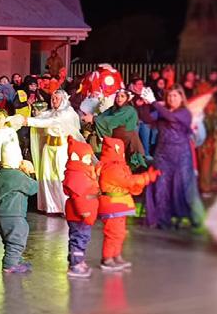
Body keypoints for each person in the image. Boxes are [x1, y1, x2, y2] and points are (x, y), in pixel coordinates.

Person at [138, 86, 201, 229]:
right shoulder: (163, 111)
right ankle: (162, 219)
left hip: (181, 156)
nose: (172, 99)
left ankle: (184, 217)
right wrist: (144, 105)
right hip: (163, 155)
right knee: (161, 186)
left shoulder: (185, 113)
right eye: (169, 96)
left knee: (182, 187)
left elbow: (172, 118)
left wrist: (154, 103)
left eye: (175, 96)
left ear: (181, 97)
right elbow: (147, 119)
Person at [16, 89, 84, 214]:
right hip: (48, 148)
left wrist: (28, 121)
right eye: (53, 98)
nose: (54, 100)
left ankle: (64, 207)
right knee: (46, 175)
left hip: (61, 148)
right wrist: (27, 118)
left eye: (57, 98)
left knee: (60, 176)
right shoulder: (52, 112)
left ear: (63, 99)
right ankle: (51, 207)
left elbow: (50, 122)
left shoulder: (68, 113)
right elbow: (44, 117)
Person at [96, 137, 159, 271]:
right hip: (112, 206)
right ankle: (107, 259)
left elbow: (129, 183)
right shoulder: (111, 169)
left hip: (119, 205)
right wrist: (146, 177)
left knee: (119, 233)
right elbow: (128, 181)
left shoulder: (118, 167)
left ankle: (116, 255)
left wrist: (141, 181)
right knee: (112, 233)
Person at [0, 142, 38, 274]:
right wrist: (30, 172)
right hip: (14, 214)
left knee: (9, 240)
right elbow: (33, 188)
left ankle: (15, 260)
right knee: (17, 239)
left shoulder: (1, 173)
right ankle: (10, 264)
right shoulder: (18, 176)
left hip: (1, 215)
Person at [62, 139, 99, 278]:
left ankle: (77, 261)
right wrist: (85, 212)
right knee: (79, 238)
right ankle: (75, 265)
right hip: (79, 215)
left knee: (80, 237)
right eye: (88, 158)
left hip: (81, 214)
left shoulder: (82, 171)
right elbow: (79, 197)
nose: (90, 161)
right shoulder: (77, 175)